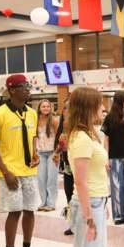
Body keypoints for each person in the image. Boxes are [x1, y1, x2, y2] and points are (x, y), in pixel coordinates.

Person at [65, 87, 113, 247]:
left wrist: (101, 205)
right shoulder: (81, 138)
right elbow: (80, 181)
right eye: (98, 105)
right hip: (87, 203)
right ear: (87, 107)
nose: (102, 109)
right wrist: (88, 216)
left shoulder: (91, 134)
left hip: (97, 201)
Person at [0, 74, 41, 247]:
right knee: (14, 213)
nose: (27, 88)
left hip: (29, 171)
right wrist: (5, 171)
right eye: (23, 86)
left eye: (28, 85)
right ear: (12, 90)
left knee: (30, 210)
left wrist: (36, 155)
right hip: (9, 172)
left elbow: (33, 139)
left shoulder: (32, 113)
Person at [102, 91, 124, 225]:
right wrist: (105, 158)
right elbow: (106, 140)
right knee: (116, 186)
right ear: (120, 100)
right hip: (114, 157)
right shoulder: (109, 118)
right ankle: (118, 216)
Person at [54, 100, 74, 235]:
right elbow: (61, 145)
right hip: (68, 168)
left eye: (70, 108)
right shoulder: (63, 128)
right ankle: (72, 224)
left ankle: (84, 223)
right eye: (65, 108)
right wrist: (56, 153)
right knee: (69, 196)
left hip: (80, 168)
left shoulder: (81, 127)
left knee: (80, 196)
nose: (67, 111)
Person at [35, 99, 59, 212]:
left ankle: (51, 203)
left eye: (48, 106)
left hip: (52, 153)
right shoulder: (35, 121)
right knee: (41, 179)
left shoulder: (54, 121)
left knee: (51, 179)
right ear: (39, 108)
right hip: (40, 153)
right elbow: (33, 138)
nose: (46, 108)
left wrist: (58, 153)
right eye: (43, 106)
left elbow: (60, 137)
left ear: (50, 108)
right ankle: (43, 202)